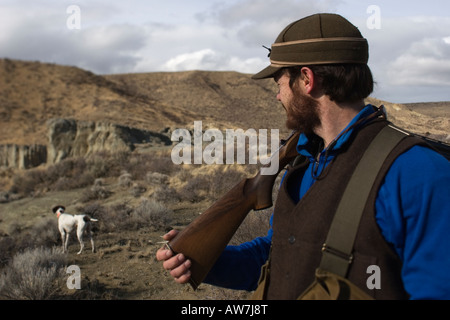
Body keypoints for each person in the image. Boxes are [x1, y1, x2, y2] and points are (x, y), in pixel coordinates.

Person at [156, 13, 450, 299]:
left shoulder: (420, 173)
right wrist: (206, 261)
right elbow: (279, 256)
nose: (278, 96)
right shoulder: (302, 160)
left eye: (280, 84)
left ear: (307, 80)